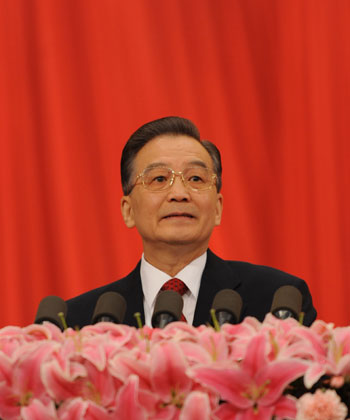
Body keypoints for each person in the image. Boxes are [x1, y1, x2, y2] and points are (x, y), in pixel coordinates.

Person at [66, 116, 316, 328]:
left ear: (217, 208)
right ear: (128, 210)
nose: (179, 193)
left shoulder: (278, 302)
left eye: (196, 178)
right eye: (159, 179)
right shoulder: (81, 322)